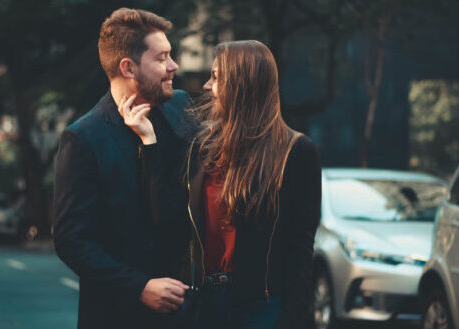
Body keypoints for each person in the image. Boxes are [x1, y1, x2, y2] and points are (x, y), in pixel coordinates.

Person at [122, 40, 322, 329]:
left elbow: (299, 249)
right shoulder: (202, 147)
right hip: (205, 305)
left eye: (216, 77)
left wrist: (293, 321)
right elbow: (166, 216)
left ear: (242, 84)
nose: (206, 86)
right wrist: (148, 142)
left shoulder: (296, 151)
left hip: (262, 308)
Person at [52, 8, 197, 329]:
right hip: (117, 315)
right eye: (162, 58)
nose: (173, 66)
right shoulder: (84, 137)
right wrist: (139, 287)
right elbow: (71, 240)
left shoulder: (182, 106)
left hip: (189, 313)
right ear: (128, 67)